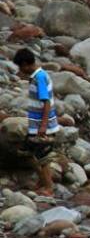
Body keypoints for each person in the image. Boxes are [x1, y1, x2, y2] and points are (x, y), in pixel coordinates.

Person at [13, 48, 61, 197]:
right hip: (37, 124)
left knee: (42, 155)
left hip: (42, 125)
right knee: (29, 151)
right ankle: (42, 181)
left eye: (20, 67)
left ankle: (49, 187)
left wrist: (43, 126)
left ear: (26, 64)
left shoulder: (39, 77)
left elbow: (46, 102)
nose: (20, 71)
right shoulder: (38, 76)